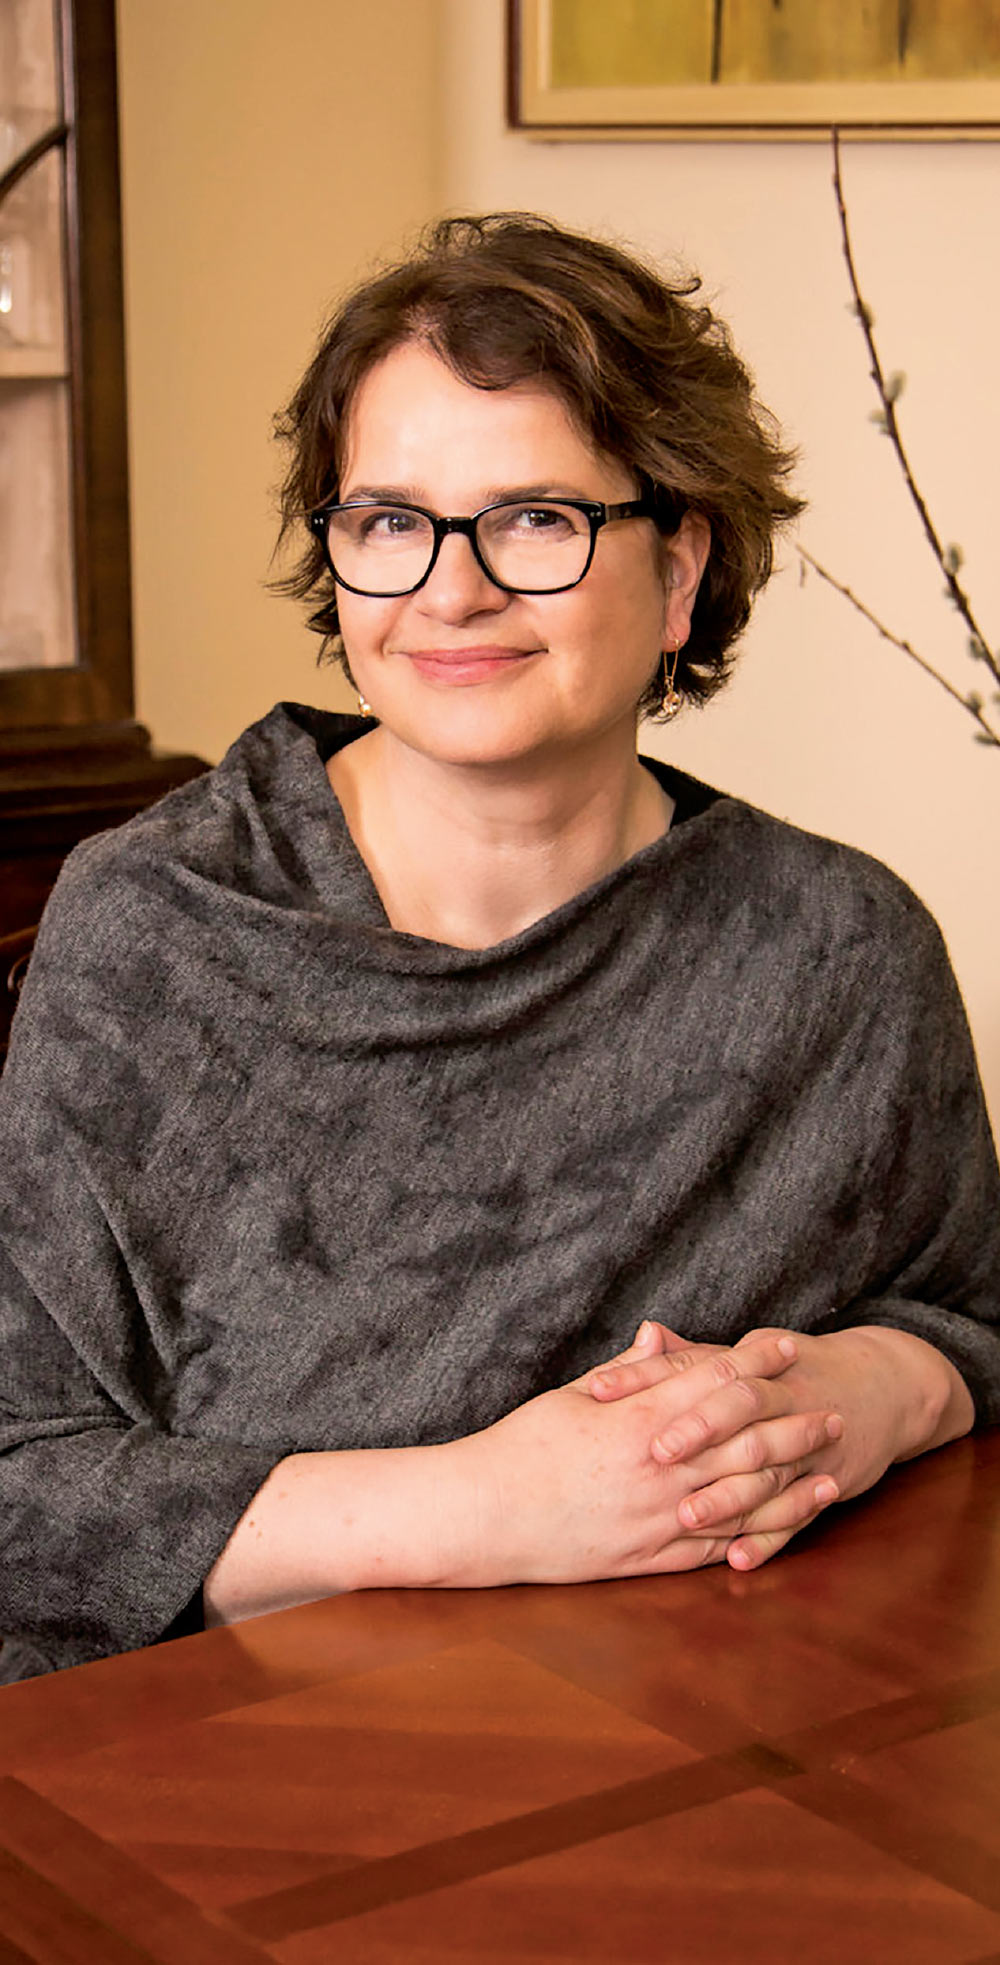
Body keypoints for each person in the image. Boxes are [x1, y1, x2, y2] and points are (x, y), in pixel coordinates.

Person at [1, 214, 997, 1685]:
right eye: (388, 521)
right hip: (234, 1779)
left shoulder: (837, 948)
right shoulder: (153, 931)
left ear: (677, 571)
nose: (448, 591)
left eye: (536, 517)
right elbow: (21, 1489)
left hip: (708, 1744)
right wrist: (481, 1507)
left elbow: (968, 1314)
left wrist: (858, 1393)